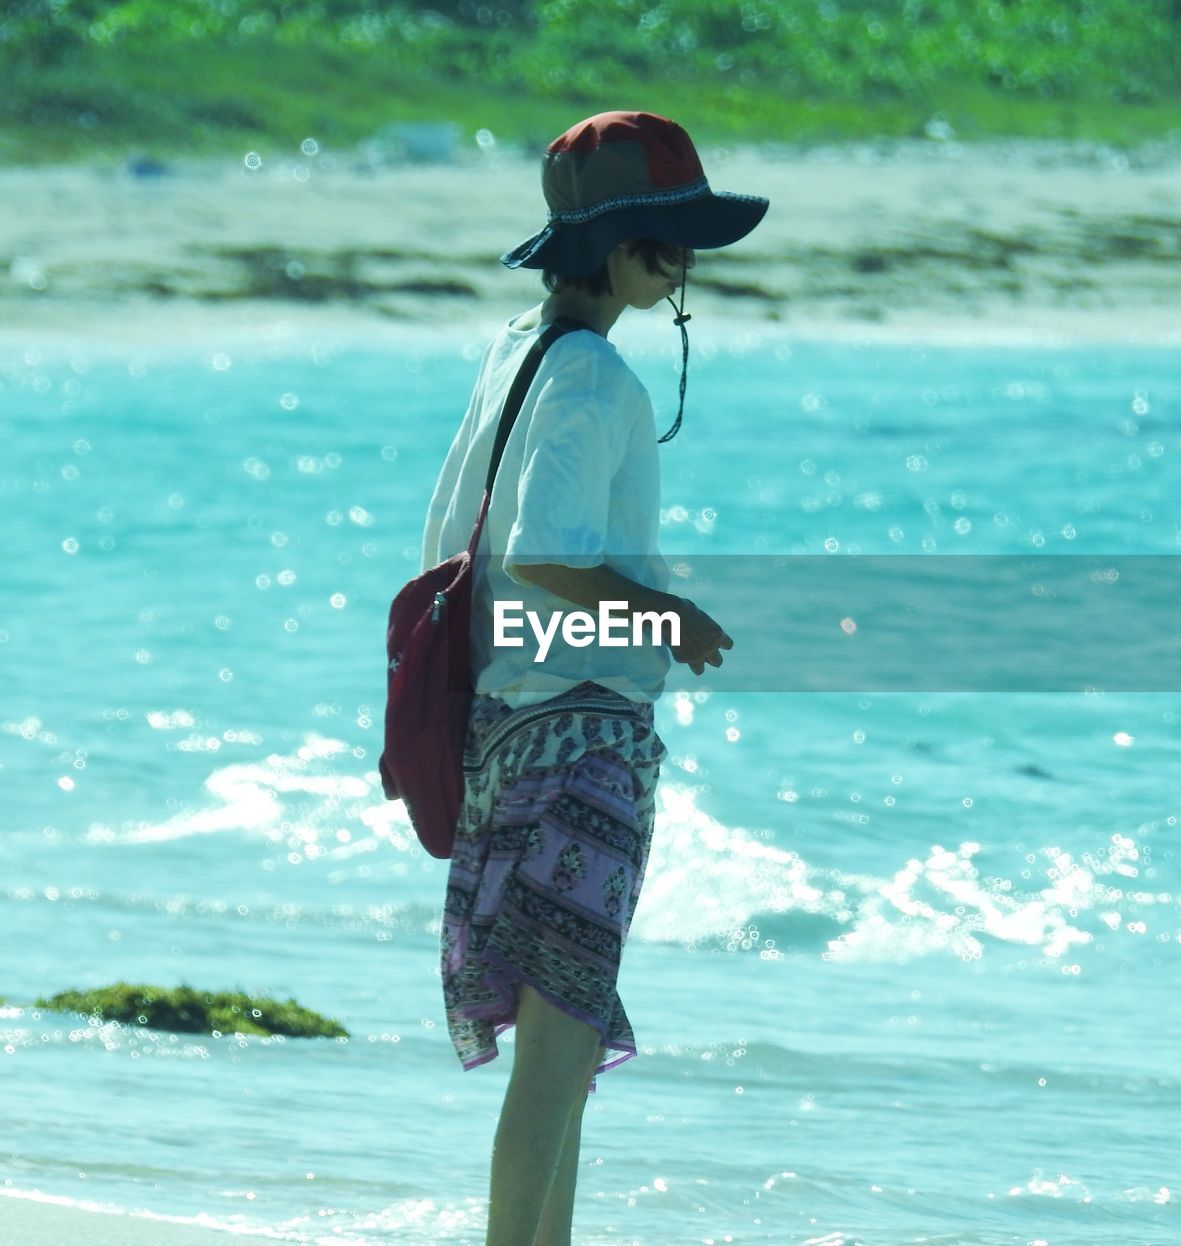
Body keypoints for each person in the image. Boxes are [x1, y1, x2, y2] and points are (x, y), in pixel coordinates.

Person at [419, 111, 767, 1246]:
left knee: (555, 1041)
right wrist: (670, 614)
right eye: (670, 247)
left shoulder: (512, 352)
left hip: (500, 730)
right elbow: (541, 550)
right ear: (620, 251)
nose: (680, 272)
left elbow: (452, 553)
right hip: (578, 743)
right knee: (559, 1045)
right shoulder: (595, 379)